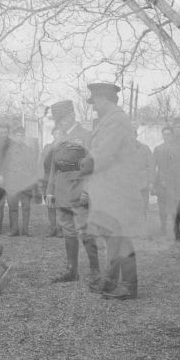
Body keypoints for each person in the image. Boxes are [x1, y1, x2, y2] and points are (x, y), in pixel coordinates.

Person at [79, 83, 144, 300]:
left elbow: (104, 152)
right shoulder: (110, 119)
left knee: (120, 236)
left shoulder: (116, 120)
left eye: (95, 102)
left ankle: (129, 285)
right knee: (112, 236)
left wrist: (83, 164)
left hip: (118, 190)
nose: (94, 107)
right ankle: (111, 280)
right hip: (110, 188)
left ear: (105, 99)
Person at [46, 100, 100, 284]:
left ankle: (95, 270)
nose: (59, 122)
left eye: (62, 118)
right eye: (57, 119)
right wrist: (50, 191)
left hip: (79, 189)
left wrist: (88, 191)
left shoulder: (86, 135)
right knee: (67, 229)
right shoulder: (60, 137)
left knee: (85, 230)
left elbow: (94, 166)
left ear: (72, 116)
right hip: (61, 189)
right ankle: (72, 271)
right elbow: (54, 166)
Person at [4, 126, 36, 236]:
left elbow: (33, 167)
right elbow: (4, 166)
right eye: (17, 135)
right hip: (12, 183)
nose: (19, 138)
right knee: (13, 207)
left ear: (24, 137)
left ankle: (26, 230)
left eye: (21, 135)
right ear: (14, 136)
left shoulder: (29, 150)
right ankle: (14, 230)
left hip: (25, 183)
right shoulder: (9, 151)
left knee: (26, 207)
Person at [40, 126, 63, 237]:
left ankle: (60, 229)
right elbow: (42, 162)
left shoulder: (66, 148)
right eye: (56, 133)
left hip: (61, 179)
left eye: (60, 133)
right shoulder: (47, 147)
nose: (57, 135)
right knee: (50, 205)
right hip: (48, 179)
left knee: (60, 205)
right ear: (52, 135)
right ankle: (52, 228)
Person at [152, 126, 174, 234]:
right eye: (165, 134)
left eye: (169, 134)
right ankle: (163, 226)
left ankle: (176, 227)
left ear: (172, 135)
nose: (167, 136)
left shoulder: (178, 149)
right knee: (162, 205)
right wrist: (155, 182)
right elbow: (153, 166)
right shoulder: (158, 149)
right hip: (161, 182)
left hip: (174, 182)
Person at [132, 124, 154, 220]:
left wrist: (151, 182)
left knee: (143, 207)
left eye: (132, 134)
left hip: (142, 184)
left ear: (136, 135)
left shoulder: (145, 148)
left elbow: (151, 166)